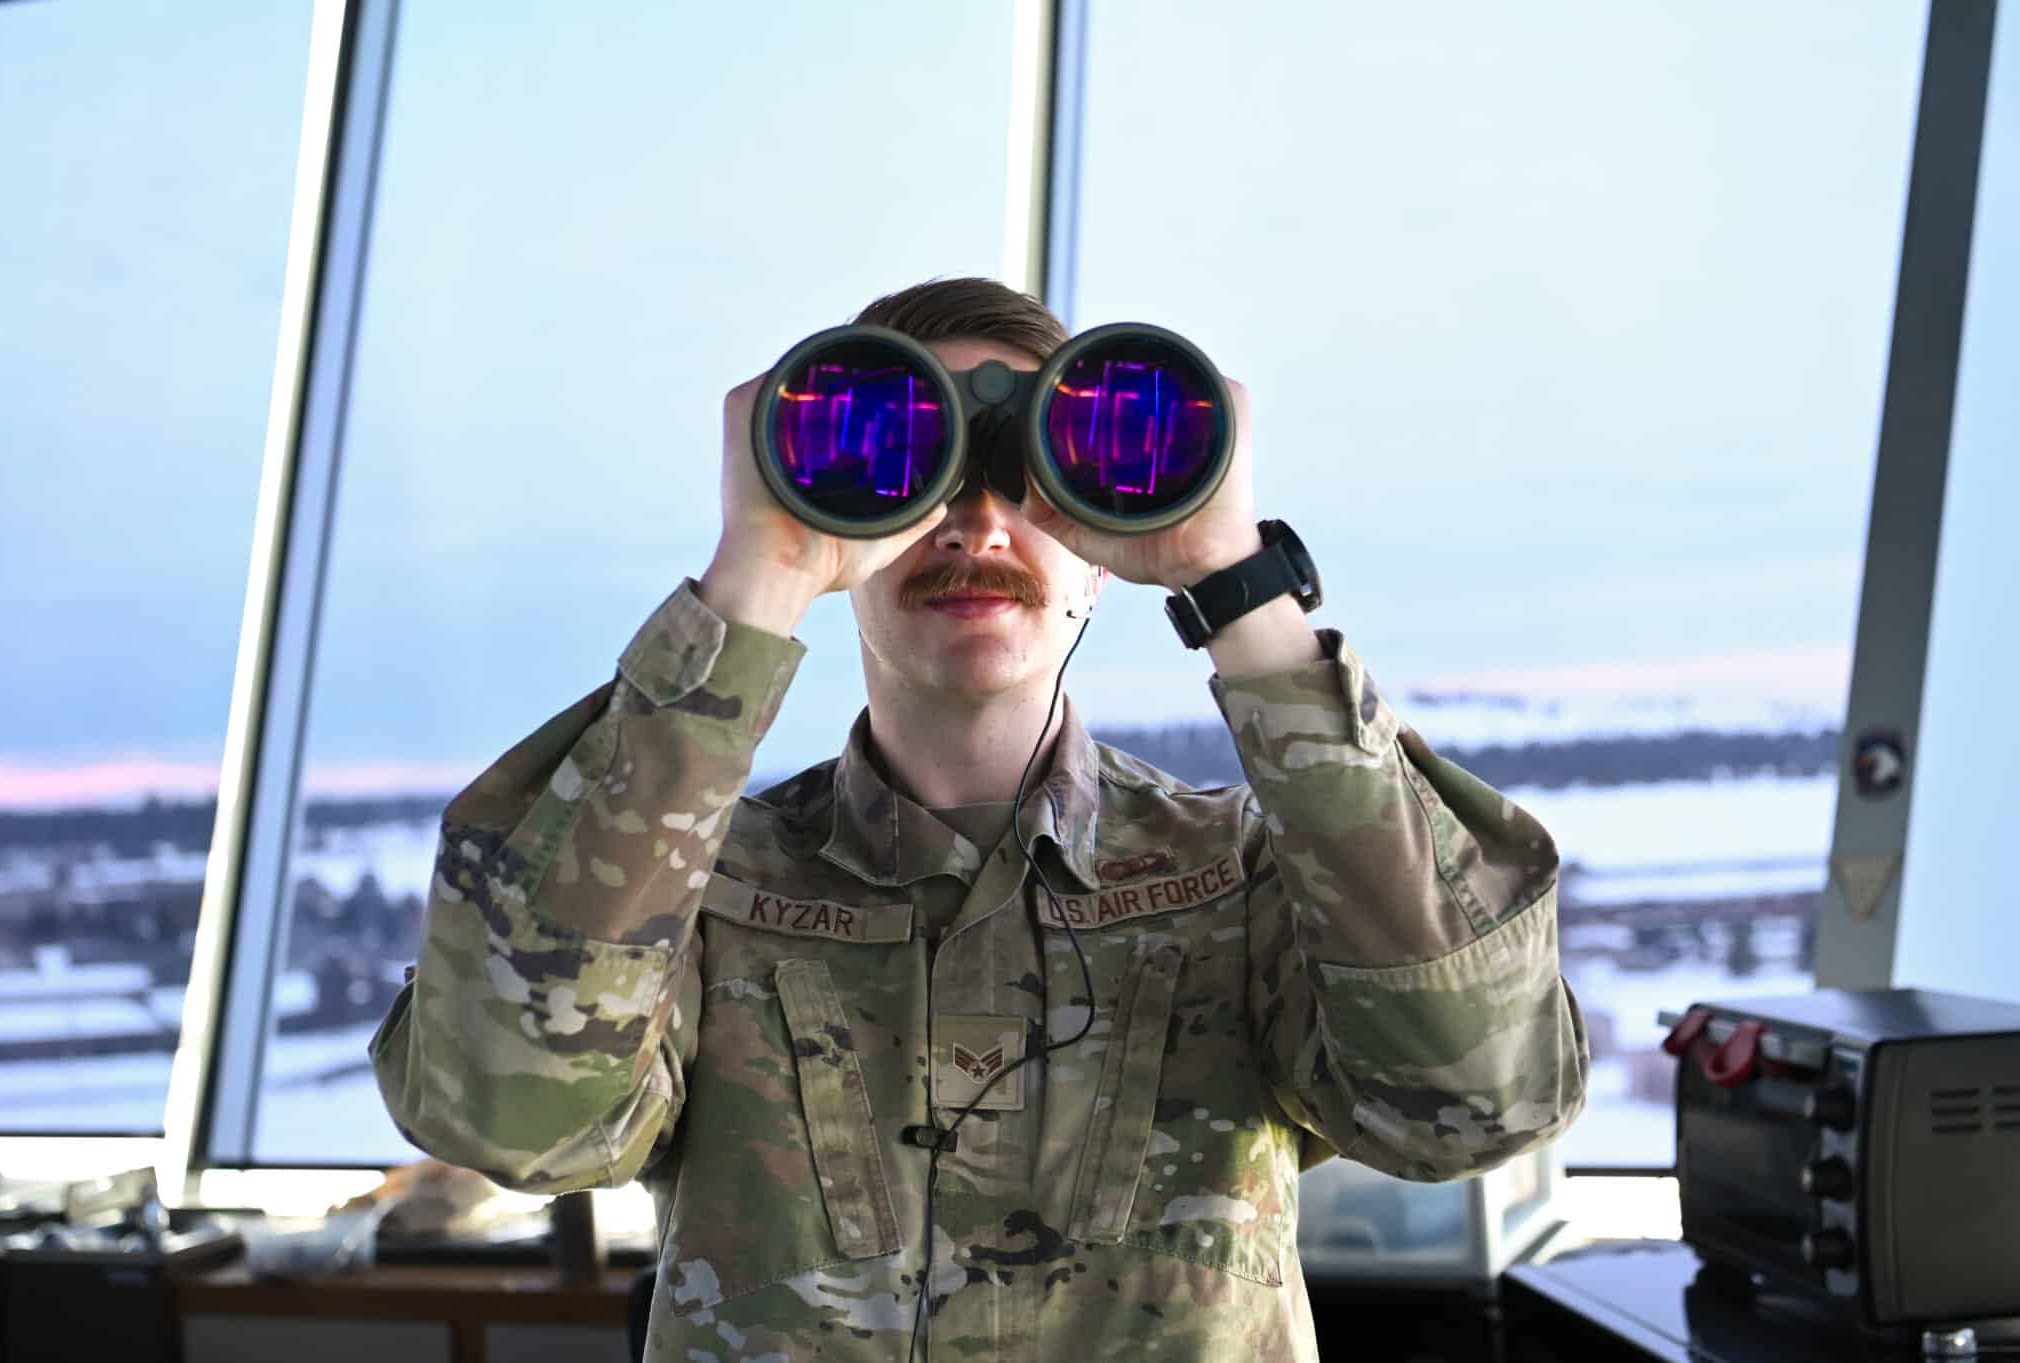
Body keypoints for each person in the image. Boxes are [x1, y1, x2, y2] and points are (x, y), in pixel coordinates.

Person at [369, 276, 1590, 1361]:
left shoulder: (1243, 875)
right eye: (911, 474)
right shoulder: (694, 892)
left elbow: (1475, 1098)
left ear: (1098, 551)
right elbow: (511, 1113)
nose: (975, 522)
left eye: (1024, 479)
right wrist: (762, 565)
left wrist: (1233, 573)